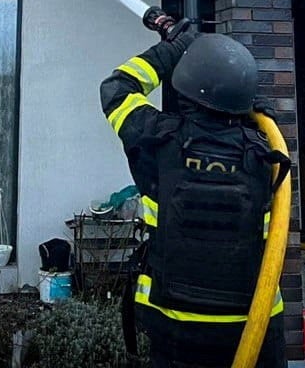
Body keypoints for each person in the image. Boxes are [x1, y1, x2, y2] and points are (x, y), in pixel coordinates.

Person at [100, 19, 288, 368]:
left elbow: (117, 88)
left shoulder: (156, 140)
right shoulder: (267, 152)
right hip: (254, 326)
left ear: (186, 91)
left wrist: (172, 50)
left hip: (175, 327)